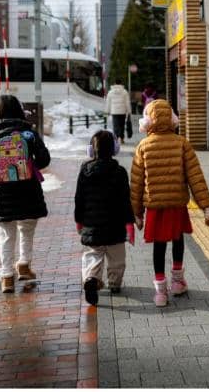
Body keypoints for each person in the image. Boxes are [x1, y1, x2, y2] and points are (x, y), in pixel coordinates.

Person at [130, 100, 209, 307]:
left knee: (159, 246)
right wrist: (205, 206)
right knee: (178, 239)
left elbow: (137, 183)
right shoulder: (182, 143)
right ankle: (177, 282)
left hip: (155, 206)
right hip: (177, 204)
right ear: (171, 118)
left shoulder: (143, 146)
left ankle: (160, 291)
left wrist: (137, 213)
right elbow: (195, 177)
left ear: (148, 121)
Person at [0, 94, 51, 293]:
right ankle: (24, 264)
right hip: (28, 191)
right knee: (26, 229)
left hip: (3, 193)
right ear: (20, 111)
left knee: (6, 235)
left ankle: (6, 277)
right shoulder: (28, 134)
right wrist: (27, 166)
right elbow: (44, 159)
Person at [74, 130, 135, 305]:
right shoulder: (120, 171)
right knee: (117, 258)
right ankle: (115, 283)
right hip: (115, 226)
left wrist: (79, 220)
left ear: (91, 151)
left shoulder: (85, 170)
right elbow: (125, 200)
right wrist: (129, 222)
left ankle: (91, 278)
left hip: (91, 224)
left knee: (93, 254)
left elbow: (79, 198)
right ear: (114, 150)